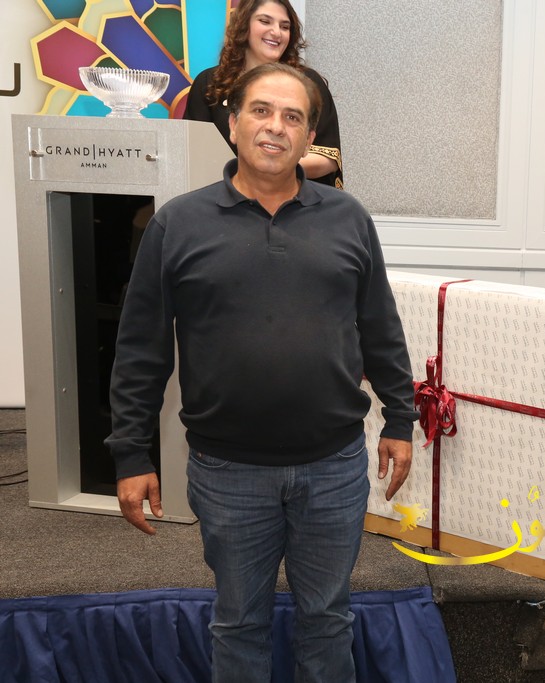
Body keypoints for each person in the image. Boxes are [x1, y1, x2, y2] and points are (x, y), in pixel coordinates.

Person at [106, 62, 418, 682]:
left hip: (333, 467)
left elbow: (381, 327)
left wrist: (400, 419)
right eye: (261, 111)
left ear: (310, 139)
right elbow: (141, 348)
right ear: (232, 123)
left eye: (292, 117)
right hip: (228, 472)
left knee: (327, 619)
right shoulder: (177, 224)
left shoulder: (349, 219)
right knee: (239, 623)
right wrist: (130, 454)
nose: (275, 127)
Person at [184, 0, 344, 189]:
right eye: (265, 21)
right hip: (223, 199)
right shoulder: (210, 83)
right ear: (244, 25)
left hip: (296, 201)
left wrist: (260, 168)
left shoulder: (306, 83)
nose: (276, 32)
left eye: (284, 26)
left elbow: (326, 159)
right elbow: (191, 154)